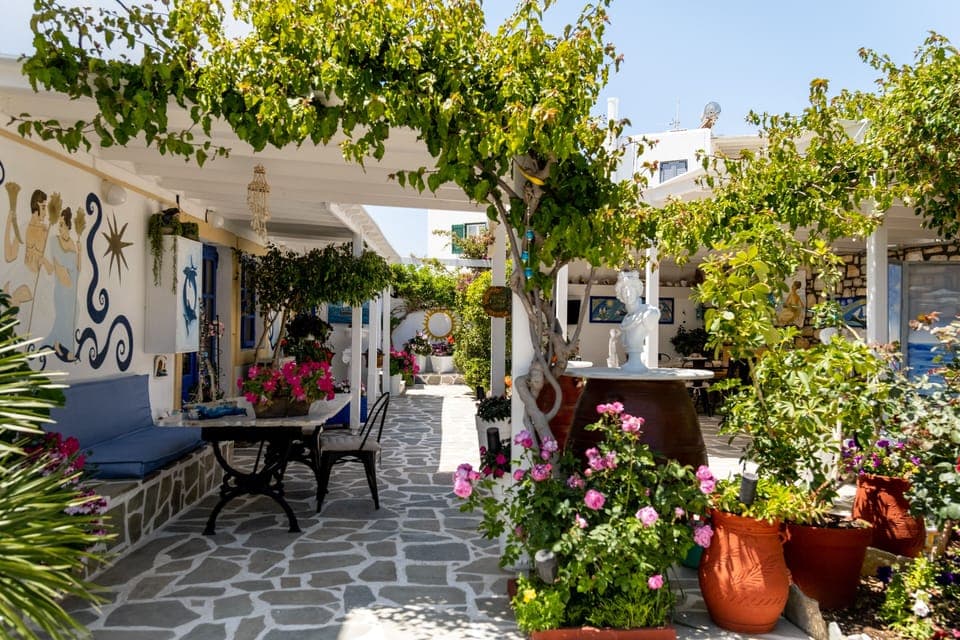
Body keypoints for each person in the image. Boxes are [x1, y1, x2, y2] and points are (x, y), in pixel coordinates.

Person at [614, 270, 660, 372]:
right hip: (629, 366)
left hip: (638, 367)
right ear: (620, 295)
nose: (628, 293)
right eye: (624, 290)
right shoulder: (626, 319)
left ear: (637, 291)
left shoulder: (649, 313)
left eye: (631, 289)